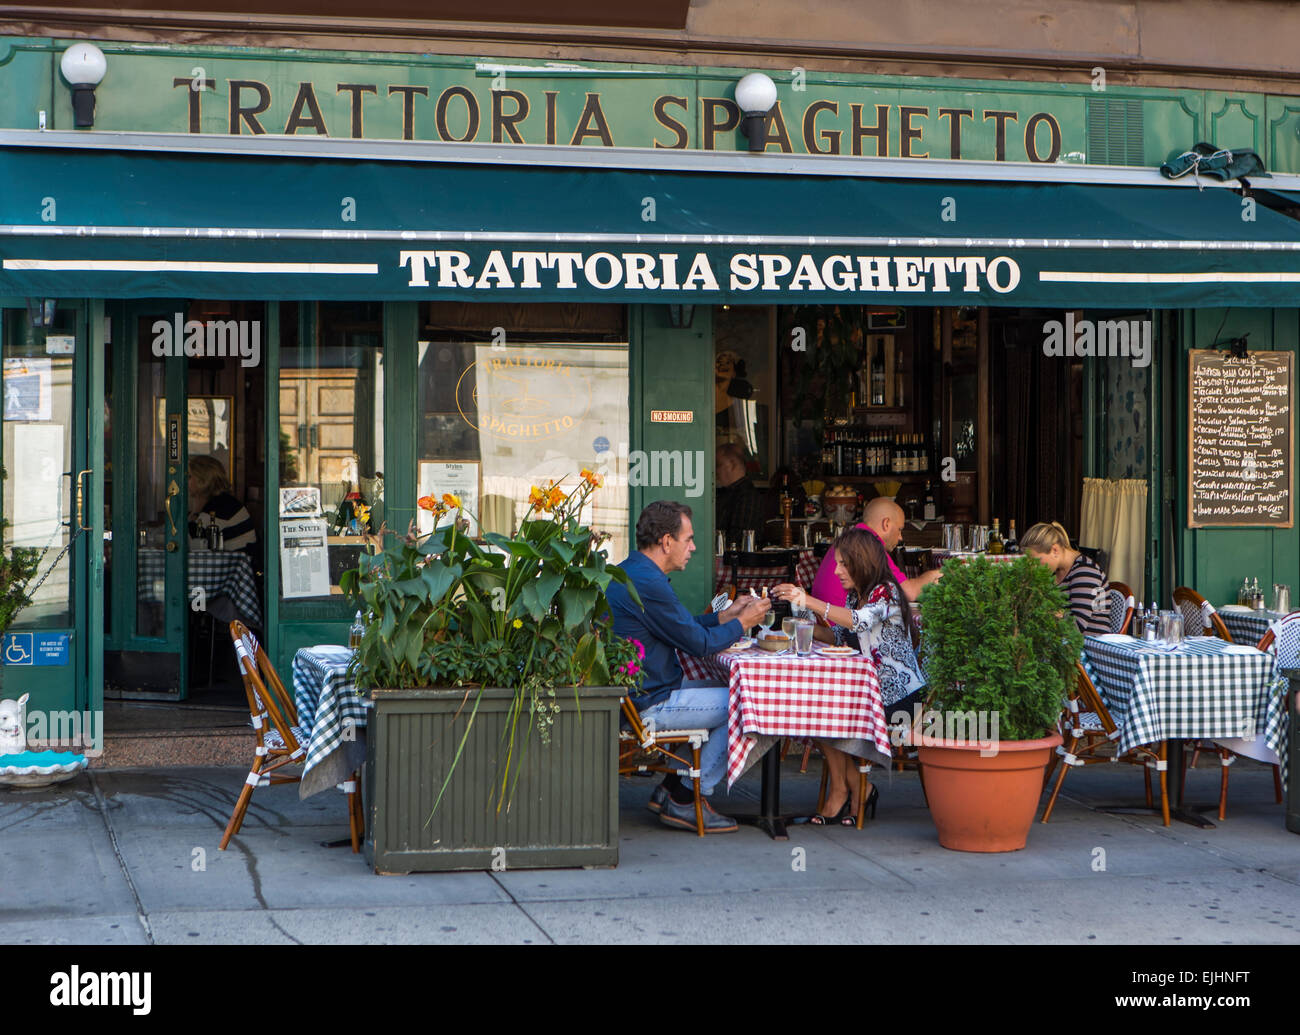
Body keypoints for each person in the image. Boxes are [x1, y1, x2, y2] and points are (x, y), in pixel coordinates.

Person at [607, 500, 771, 833]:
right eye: (689, 539)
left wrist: (724, 616)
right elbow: (700, 644)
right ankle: (685, 797)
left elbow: (680, 625)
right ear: (666, 542)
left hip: (646, 693)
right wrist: (744, 622)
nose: (694, 547)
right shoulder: (648, 583)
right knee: (755, 703)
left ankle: (670, 789)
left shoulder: (635, 571)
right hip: (650, 703)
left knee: (742, 695)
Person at [772, 527, 926, 825]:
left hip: (900, 698)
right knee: (817, 711)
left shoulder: (887, 591)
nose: (837, 571)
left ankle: (848, 791)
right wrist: (795, 624)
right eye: (837, 563)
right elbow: (838, 635)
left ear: (863, 561)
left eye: (844, 564)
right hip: (866, 691)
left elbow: (857, 623)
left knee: (827, 713)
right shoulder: (857, 596)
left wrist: (808, 600)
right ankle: (853, 789)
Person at [809, 496, 940, 607]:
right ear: (886, 524)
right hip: (841, 631)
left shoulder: (850, 538)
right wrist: (939, 573)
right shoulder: (869, 545)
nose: (901, 537)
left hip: (829, 623)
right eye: (899, 529)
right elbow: (909, 593)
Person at [1019, 521, 1111, 635]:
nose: (1032, 566)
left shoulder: (1086, 571)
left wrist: (1045, 612)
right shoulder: (1053, 572)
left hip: (1089, 646)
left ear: (1055, 550)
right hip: (1060, 643)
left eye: (1036, 561)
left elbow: (1075, 627)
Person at [188, 454, 257, 558]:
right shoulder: (222, 501)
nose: (185, 481)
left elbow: (191, 541)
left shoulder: (221, 506)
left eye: (189, 477)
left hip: (234, 570)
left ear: (202, 480)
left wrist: (196, 510)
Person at [715, 441, 768, 548]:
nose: (715, 471)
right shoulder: (729, 493)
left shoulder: (747, 496)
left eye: (718, 465)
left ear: (731, 464)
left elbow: (739, 538)